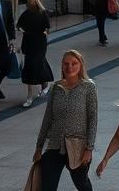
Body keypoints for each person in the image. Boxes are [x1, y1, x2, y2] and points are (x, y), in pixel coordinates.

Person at [34, 50, 97, 191]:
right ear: (62, 66)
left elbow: (93, 118)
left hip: (77, 146)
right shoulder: (56, 87)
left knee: (82, 184)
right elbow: (48, 118)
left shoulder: (88, 87)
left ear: (81, 65)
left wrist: (89, 148)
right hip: (54, 145)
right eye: (66, 64)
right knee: (47, 186)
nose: (70, 67)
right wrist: (39, 147)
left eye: (74, 63)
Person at [18, 0, 54, 108]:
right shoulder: (28, 14)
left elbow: (47, 28)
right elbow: (19, 26)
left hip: (37, 43)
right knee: (32, 65)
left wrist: (29, 32)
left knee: (37, 64)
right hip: (33, 43)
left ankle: (42, 86)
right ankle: (36, 90)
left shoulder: (40, 13)